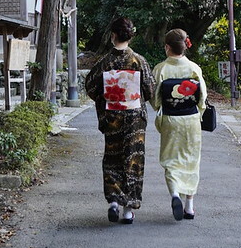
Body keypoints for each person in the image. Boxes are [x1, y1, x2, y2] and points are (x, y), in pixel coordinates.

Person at [85, 17, 155, 224]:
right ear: (130, 35)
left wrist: (107, 98)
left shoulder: (104, 62)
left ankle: (114, 201)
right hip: (134, 118)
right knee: (133, 160)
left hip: (113, 116)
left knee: (113, 157)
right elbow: (150, 90)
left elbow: (90, 87)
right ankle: (128, 209)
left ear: (113, 35)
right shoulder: (139, 61)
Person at [151, 28, 208, 221]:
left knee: (171, 159)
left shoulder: (161, 69)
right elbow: (203, 98)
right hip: (190, 119)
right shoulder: (194, 68)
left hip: (170, 118)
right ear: (185, 46)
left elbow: (155, 99)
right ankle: (189, 206)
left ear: (167, 47)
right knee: (191, 160)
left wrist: (162, 107)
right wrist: (198, 113)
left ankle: (175, 193)